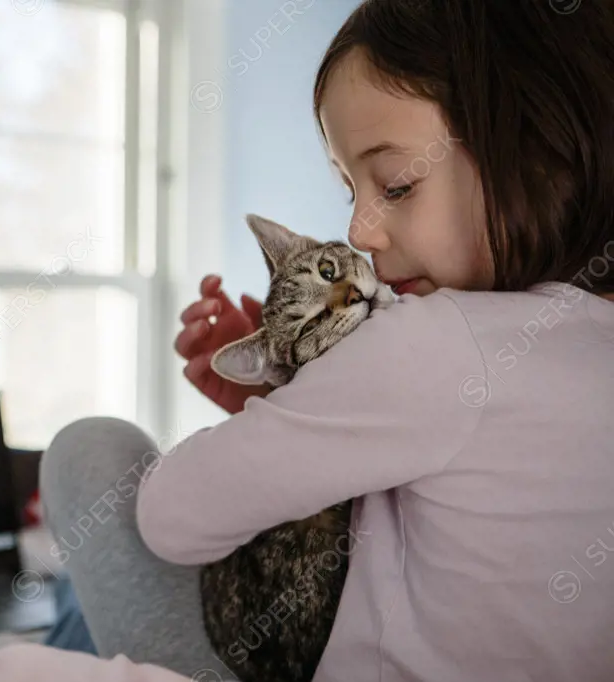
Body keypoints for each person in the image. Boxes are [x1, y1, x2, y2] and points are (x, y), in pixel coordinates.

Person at [38, 1, 614, 680]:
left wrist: (297, 404)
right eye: (348, 188)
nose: (361, 228)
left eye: (396, 184)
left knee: (89, 452)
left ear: (541, 155)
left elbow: (171, 520)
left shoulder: (434, 343)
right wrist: (303, 401)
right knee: (65, 620)